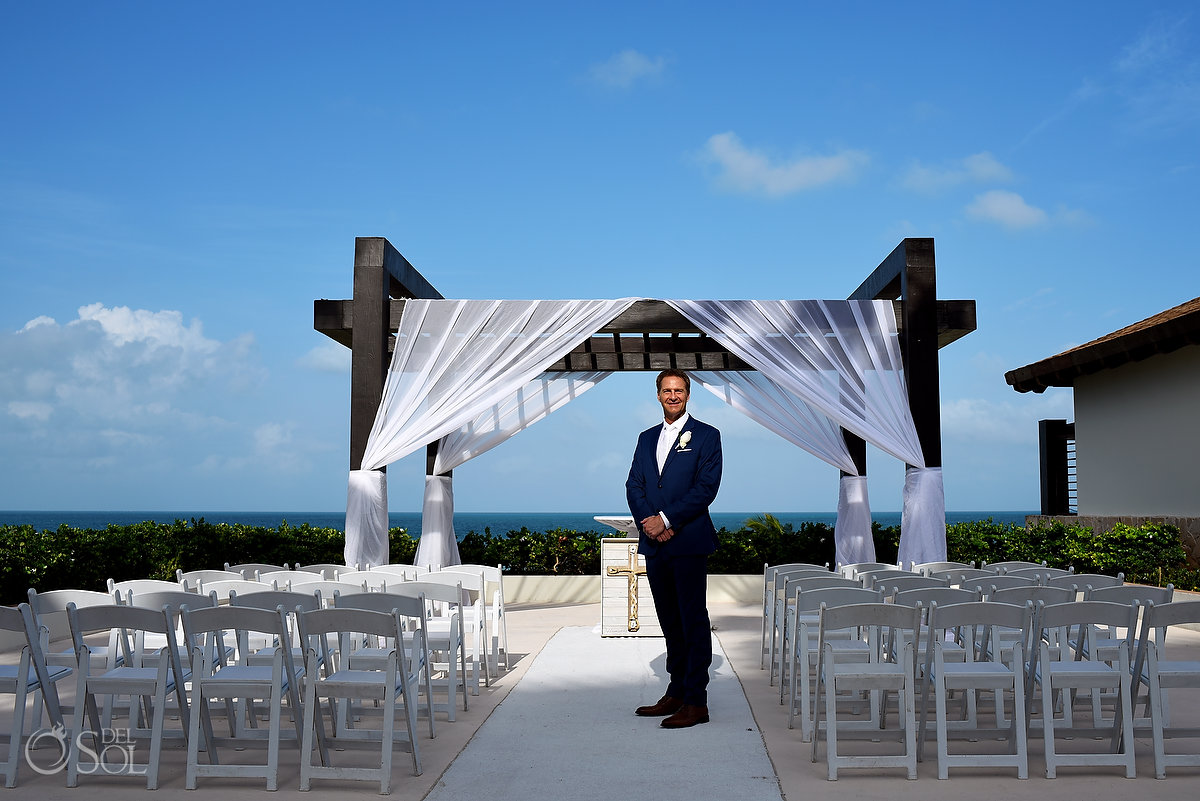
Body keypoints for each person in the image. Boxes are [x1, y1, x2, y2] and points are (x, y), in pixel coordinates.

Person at [625, 368, 722, 728]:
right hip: (655, 544)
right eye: (667, 390)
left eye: (679, 390)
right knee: (669, 621)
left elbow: (705, 488)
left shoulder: (708, 436)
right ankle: (677, 690)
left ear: (688, 394)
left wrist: (665, 520)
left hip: (689, 542)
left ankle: (697, 701)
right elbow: (634, 484)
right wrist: (649, 523)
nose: (673, 396)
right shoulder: (645, 437)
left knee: (693, 621)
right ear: (658, 394)